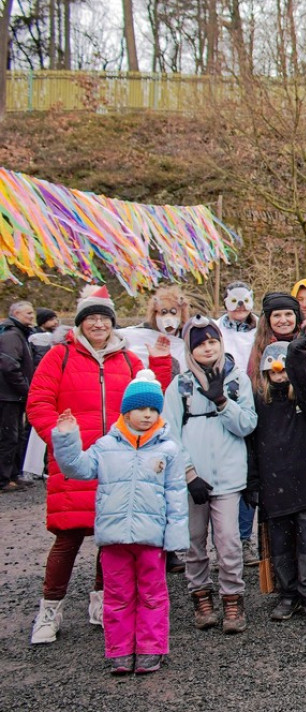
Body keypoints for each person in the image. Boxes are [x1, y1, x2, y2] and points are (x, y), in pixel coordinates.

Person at [25, 285, 172, 645]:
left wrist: (161, 364)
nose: (97, 324)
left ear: (112, 323)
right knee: (68, 536)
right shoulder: (59, 356)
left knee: (112, 538)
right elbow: (39, 401)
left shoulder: (127, 360)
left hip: (118, 462)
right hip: (74, 459)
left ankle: (102, 601)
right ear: (80, 322)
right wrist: (61, 439)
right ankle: (50, 608)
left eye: (103, 318)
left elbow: (150, 398)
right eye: (90, 318)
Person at [51, 374, 187, 675]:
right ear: (126, 411)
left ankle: (151, 649)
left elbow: (176, 495)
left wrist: (176, 538)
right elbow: (77, 468)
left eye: (153, 409)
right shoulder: (105, 446)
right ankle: (120, 650)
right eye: (140, 409)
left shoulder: (168, 449)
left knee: (153, 595)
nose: (147, 414)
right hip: (114, 539)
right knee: (118, 595)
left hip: (151, 539)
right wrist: (66, 437)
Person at [162, 316, 258, 635]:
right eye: (200, 343)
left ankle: (232, 597)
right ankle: (200, 597)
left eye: (213, 341)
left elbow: (247, 424)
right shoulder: (180, 385)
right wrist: (189, 474)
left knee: (229, 540)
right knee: (193, 541)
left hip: (229, 475)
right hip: (192, 480)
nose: (208, 347)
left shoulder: (237, 380)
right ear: (190, 348)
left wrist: (221, 401)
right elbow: (170, 432)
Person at [245, 332, 306, 625]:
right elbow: (252, 447)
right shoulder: (259, 403)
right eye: (274, 368)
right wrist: (254, 483)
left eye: (285, 367)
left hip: (305, 482)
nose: (279, 373)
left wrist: (298, 359)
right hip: (275, 486)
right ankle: (288, 594)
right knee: (280, 542)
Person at [0, 301, 36, 491]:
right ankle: (4, 479)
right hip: (8, 396)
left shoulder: (20, 334)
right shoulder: (12, 335)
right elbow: (9, 365)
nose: (32, 316)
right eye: (28, 313)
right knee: (8, 436)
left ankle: (13, 473)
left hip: (13, 395)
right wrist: (25, 389)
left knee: (15, 436)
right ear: (16, 313)